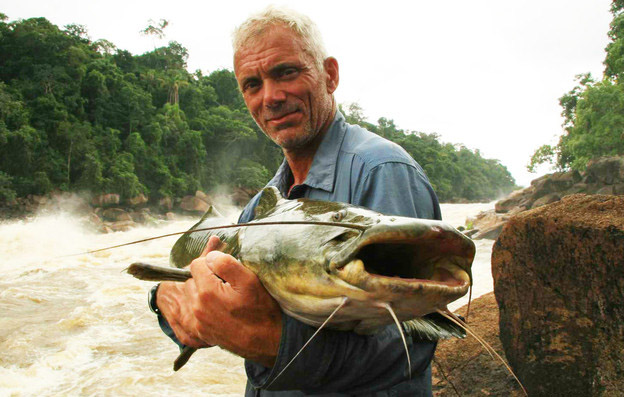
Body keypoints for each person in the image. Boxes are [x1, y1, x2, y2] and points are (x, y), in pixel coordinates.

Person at [152, 6, 442, 396]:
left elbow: (410, 346)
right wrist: (166, 300)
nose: (270, 97)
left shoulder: (382, 170)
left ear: (330, 75)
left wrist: (272, 341)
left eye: (286, 72)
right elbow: (211, 306)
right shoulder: (262, 205)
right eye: (252, 84)